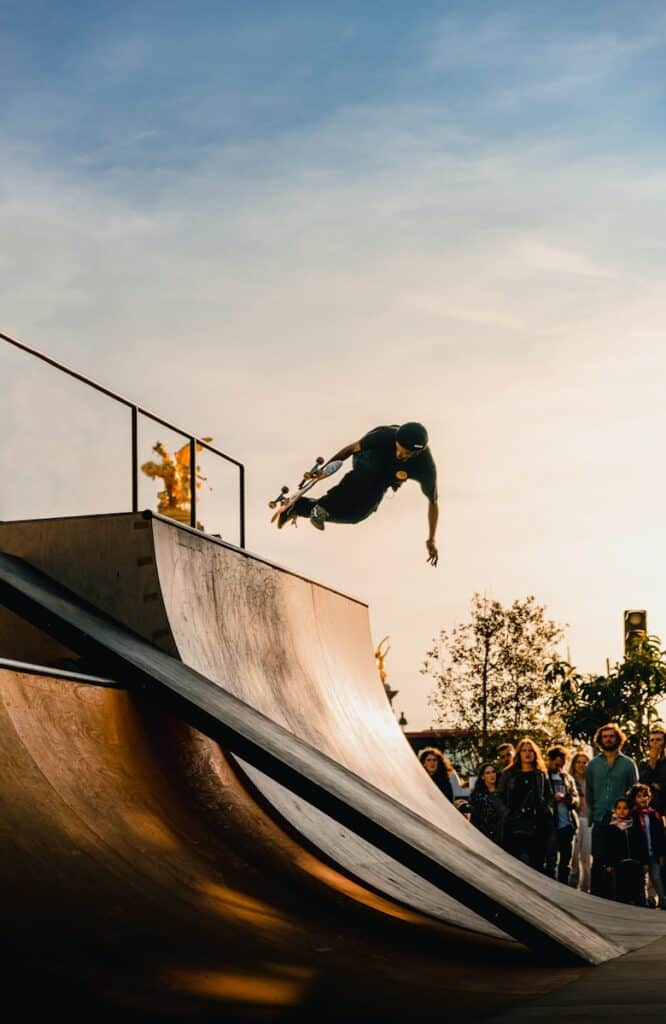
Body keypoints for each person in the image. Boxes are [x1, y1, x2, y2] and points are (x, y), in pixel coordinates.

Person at [278, 422, 439, 566]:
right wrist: (324, 471)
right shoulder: (384, 436)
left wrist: (431, 539)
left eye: (405, 454)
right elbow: (350, 449)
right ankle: (323, 507)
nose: (399, 454)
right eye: (398, 448)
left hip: (385, 479)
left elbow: (433, 503)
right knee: (368, 474)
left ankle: (299, 508)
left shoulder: (426, 467)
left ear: (416, 453)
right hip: (368, 458)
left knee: (358, 515)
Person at [585, 722, 638, 897]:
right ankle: (598, 897)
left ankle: (623, 897)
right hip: (601, 818)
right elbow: (589, 792)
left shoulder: (628, 764)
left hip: (622, 820)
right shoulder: (592, 765)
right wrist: (592, 816)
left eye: (611, 736)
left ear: (618, 738)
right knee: (599, 859)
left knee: (621, 860)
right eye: (605, 736)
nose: (608, 739)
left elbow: (634, 791)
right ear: (600, 740)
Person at [497, 738, 554, 872]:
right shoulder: (509, 773)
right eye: (524, 750)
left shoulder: (540, 774)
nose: (527, 753)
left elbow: (549, 795)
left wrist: (547, 809)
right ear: (519, 753)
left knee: (537, 865)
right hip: (514, 825)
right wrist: (506, 812)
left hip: (537, 824)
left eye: (530, 750)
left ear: (535, 753)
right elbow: (498, 795)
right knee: (514, 866)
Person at [596, 796, 644, 905]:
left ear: (629, 810)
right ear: (615, 810)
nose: (622, 811)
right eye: (619, 808)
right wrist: (608, 863)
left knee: (635, 892)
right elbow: (607, 847)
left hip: (634, 863)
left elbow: (641, 844)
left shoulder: (634, 824)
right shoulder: (611, 826)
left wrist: (644, 862)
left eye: (625, 808)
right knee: (620, 893)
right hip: (618, 864)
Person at [544, 745, 579, 884]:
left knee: (566, 862)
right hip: (551, 825)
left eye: (562, 764)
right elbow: (542, 798)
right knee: (551, 861)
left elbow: (576, 799)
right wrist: (553, 798)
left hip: (567, 824)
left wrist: (567, 798)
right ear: (550, 760)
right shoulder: (544, 777)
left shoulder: (567, 778)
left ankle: (564, 887)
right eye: (557, 763)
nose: (559, 767)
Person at [628, 782, 666, 909]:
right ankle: (643, 900)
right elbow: (634, 840)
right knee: (642, 879)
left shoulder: (654, 814)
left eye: (645, 796)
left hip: (654, 853)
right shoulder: (633, 816)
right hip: (640, 854)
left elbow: (660, 835)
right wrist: (642, 859)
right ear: (634, 799)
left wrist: (661, 853)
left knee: (656, 877)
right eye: (639, 796)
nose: (643, 799)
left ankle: (662, 899)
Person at [568, 748, 592, 892]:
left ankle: (586, 888)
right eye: (578, 762)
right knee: (573, 858)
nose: (582, 765)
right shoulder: (569, 780)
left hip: (588, 821)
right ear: (574, 763)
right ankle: (571, 887)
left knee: (586, 858)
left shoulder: (592, 782)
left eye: (585, 762)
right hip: (574, 821)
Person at [470, 762, 506, 845]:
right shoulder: (477, 795)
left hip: (502, 833)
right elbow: (474, 817)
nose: (492, 775)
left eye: (493, 772)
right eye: (488, 773)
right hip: (484, 834)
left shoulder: (503, 793)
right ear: (482, 777)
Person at [638, 725, 666, 819]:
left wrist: (658, 786)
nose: (655, 743)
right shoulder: (643, 763)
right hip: (650, 812)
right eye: (652, 740)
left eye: (658, 740)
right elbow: (643, 784)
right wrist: (652, 764)